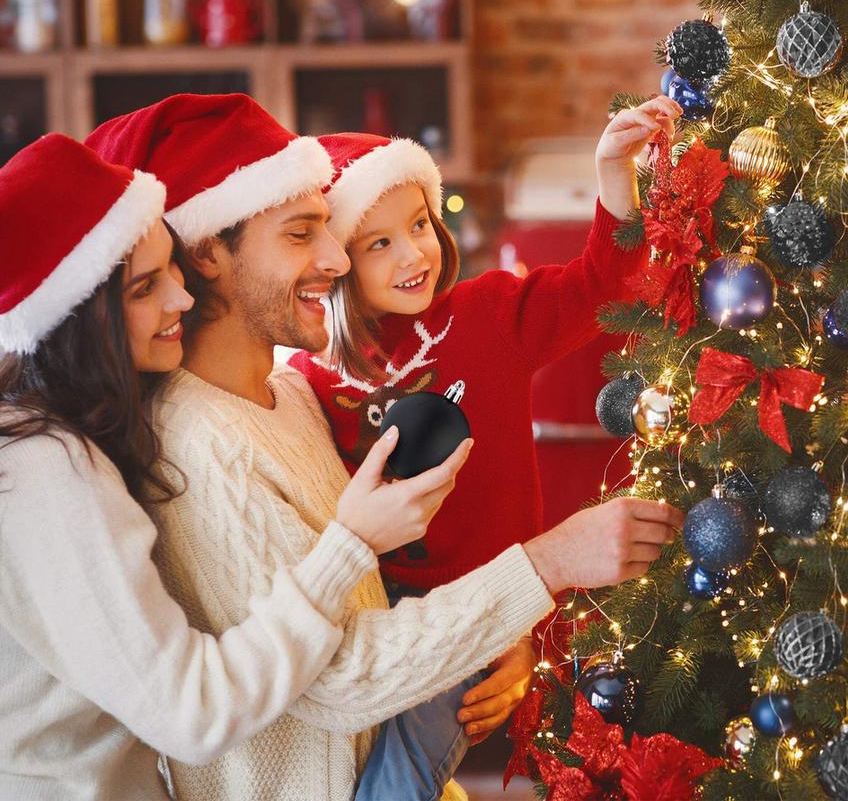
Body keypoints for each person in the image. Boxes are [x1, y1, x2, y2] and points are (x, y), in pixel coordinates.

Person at [87, 92, 685, 801]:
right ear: (211, 251)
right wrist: (543, 568)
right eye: (303, 232)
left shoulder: (291, 397)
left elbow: (373, 617)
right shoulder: (212, 445)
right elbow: (342, 680)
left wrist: (505, 630)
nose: (335, 257)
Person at [0, 134, 467, 800]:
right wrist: (353, 545)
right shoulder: (49, 471)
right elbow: (193, 710)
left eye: (173, 272)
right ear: (79, 321)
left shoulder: (76, 440)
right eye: (145, 287)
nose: (182, 300)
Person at [287, 97, 680, 740]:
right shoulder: (310, 380)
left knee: (414, 761)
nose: (413, 255)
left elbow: (599, 287)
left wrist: (613, 172)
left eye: (418, 225)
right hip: (385, 636)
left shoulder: (489, 315)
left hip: (499, 613)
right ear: (335, 261)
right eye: (378, 243)